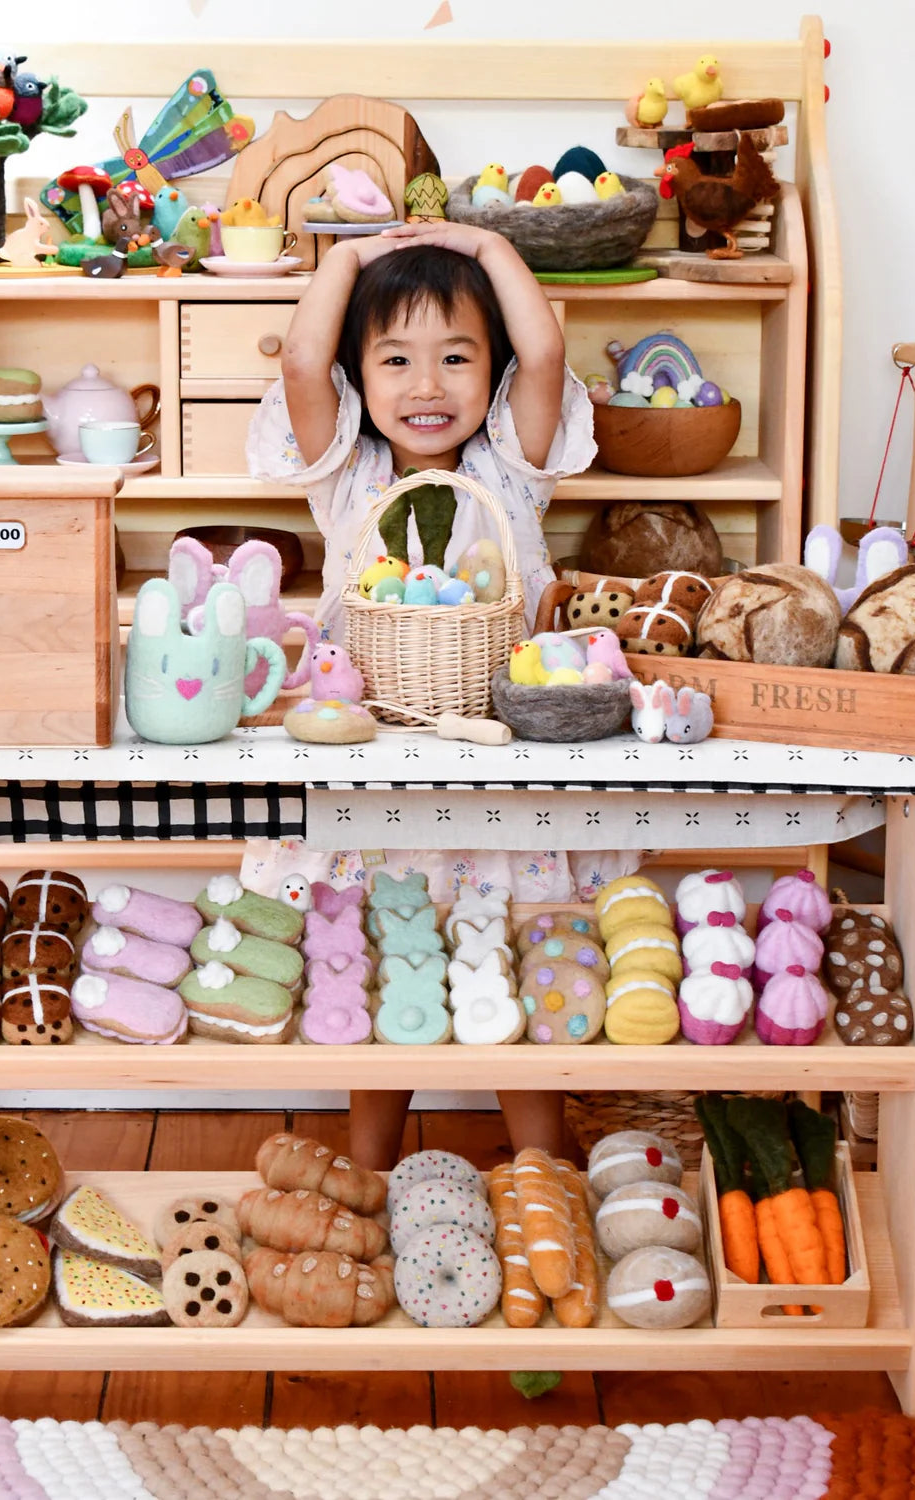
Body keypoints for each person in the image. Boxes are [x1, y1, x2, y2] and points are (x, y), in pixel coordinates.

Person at [247, 219, 598, 1169]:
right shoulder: (349, 471)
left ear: (491, 374)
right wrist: (346, 257)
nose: (428, 385)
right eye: (395, 360)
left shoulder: (512, 469)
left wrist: (484, 245)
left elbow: (548, 347)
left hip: (498, 749)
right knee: (379, 955)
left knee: (523, 952)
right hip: (374, 754)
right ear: (362, 379)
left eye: (456, 357)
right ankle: (369, 1167)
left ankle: (543, 1175)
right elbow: (302, 361)